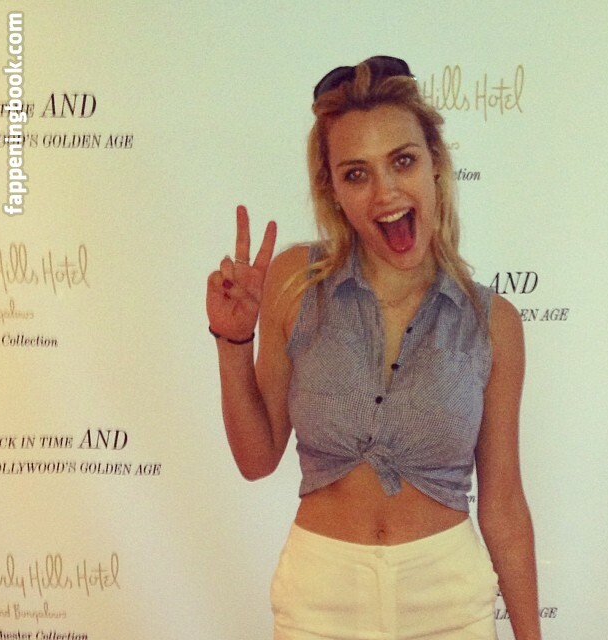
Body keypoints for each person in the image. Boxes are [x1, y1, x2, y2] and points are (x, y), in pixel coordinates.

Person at [206, 56, 541, 640]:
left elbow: (504, 504)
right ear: (333, 191)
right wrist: (234, 340)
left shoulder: (493, 323)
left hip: (448, 601)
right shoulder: (295, 282)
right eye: (356, 174)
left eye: (402, 161)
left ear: (434, 164)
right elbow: (256, 459)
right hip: (320, 598)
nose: (385, 192)